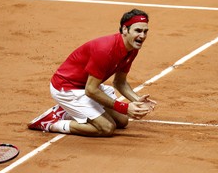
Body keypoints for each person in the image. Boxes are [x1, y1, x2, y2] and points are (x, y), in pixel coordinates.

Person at [28, 8, 157, 137]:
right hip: (67, 88)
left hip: (87, 85)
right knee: (106, 128)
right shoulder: (105, 50)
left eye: (145, 31)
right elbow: (90, 90)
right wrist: (124, 107)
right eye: (138, 31)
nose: (142, 36)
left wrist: (137, 101)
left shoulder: (132, 49)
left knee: (122, 121)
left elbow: (120, 82)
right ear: (125, 30)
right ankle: (51, 123)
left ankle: (66, 111)